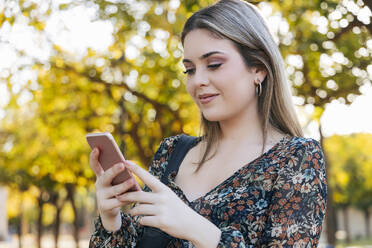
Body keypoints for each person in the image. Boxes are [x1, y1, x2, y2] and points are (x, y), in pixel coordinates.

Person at [89, 0, 327, 247]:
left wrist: (196, 228)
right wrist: (112, 220)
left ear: (258, 68)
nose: (197, 81)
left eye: (214, 64)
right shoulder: (172, 152)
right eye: (189, 70)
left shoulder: (297, 158)